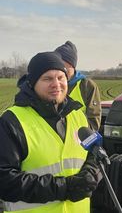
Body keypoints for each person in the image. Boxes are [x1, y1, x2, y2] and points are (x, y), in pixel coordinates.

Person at [0, 52, 102, 213]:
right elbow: (5, 180)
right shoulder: (11, 121)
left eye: (61, 77)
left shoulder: (78, 116)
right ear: (33, 83)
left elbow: (95, 155)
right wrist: (65, 188)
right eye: (47, 78)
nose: (56, 84)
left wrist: (91, 174)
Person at [55, 41, 101, 132]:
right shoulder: (53, 84)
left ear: (71, 64)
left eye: (61, 64)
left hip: (78, 139)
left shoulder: (87, 86)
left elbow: (94, 123)